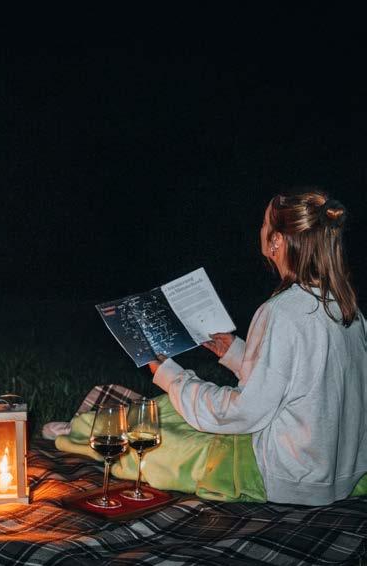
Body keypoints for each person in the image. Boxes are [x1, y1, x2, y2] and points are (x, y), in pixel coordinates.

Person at [149, 190, 367, 505]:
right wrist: (236, 352)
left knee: (156, 432)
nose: (260, 230)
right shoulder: (348, 310)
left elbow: (245, 411)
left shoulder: (281, 312)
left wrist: (171, 377)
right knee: (170, 409)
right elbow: (308, 381)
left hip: (290, 476)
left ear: (276, 241)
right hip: (341, 471)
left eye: (264, 223)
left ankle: (88, 434)